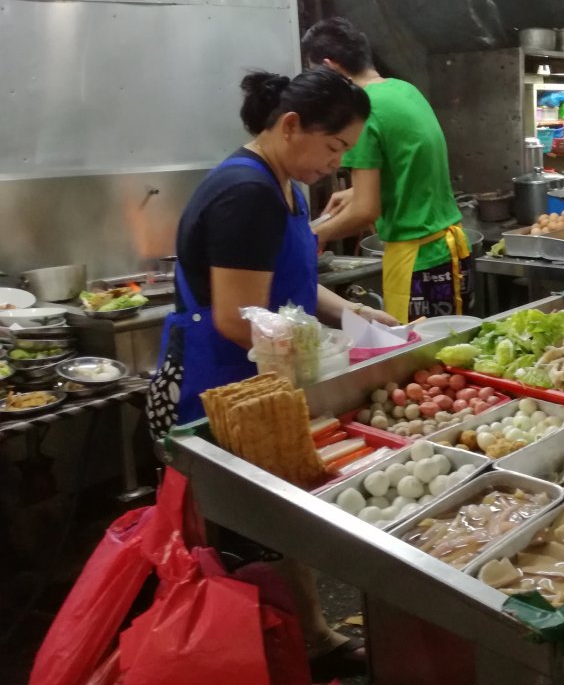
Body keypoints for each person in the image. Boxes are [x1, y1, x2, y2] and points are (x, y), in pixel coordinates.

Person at [144, 68, 390, 678]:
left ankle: (305, 637)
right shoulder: (245, 194)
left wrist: (351, 312)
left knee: (280, 517)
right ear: (289, 126)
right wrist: (327, 360)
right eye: (333, 148)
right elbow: (235, 318)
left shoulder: (283, 184)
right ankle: (241, 653)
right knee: (245, 533)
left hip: (259, 378)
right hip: (219, 386)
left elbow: (290, 293)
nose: (335, 165)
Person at [300, 17, 472, 324]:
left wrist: (310, 235)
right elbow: (412, 171)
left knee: (416, 362)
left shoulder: (363, 110)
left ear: (330, 66)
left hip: (417, 262)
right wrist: (354, 192)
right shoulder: (404, 91)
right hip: (451, 256)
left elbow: (366, 211)